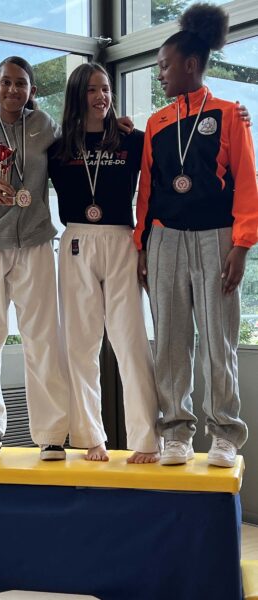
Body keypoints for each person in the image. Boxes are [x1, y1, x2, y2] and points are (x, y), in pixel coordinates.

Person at [134, 3, 258, 467]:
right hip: (165, 239)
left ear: (190, 64)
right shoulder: (157, 123)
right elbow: (147, 191)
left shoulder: (229, 115)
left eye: (164, 66)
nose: (160, 74)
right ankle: (175, 432)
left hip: (216, 238)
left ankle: (225, 434)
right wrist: (142, 245)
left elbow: (247, 182)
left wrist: (241, 246)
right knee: (170, 339)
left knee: (219, 340)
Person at [0, 56, 69, 461]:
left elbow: (81, 144)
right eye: (6, 82)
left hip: (35, 244)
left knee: (43, 339)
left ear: (32, 90)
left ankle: (52, 433)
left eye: (21, 83)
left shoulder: (46, 127)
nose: (13, 89)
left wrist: (117, 126)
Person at [48, 62, 161, 464]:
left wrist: (238, 118)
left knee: (131, 340)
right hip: (77, 239)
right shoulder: (58, 148)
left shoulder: (133, 140)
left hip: (120, 238)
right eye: (93, 90)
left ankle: (147, 438)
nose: (101, 97)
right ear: (78, 95)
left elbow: (163, 172)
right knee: (80, 344)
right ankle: (90, 436)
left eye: (107, 89)